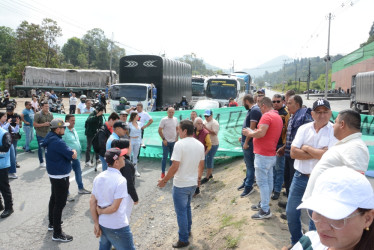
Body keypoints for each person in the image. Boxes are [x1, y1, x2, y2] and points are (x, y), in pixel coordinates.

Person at [286, 99, 338, 246]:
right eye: (318, 112)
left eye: (325, 112)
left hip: (321, 180)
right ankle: (297, 241)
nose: (322, 115)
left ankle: (312, 245)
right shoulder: (304, 128)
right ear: (312, 113)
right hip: (300, 177)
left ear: (330, 113)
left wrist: (307, 148)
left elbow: (328, 156)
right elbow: (293, 153)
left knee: (315, 218)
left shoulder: (334, 130)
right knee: (291, 212)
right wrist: (319, 152)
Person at [288, 167, 374, 250]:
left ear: (367, 219)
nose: (323, 227)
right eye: (318, 212)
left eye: (337, 218)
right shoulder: (310, 241)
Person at [303, 109, 370, 201]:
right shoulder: (347, 144)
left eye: (335, 122)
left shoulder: (355, 147)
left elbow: (356, 183)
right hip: (320, 202)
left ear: (342, 124)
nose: (333, 126)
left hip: (328, 204)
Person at [157, 120, 205, 248]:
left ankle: (183, 239)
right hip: (192, 183)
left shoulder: (180, 145)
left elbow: (175, 166)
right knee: (187, 208)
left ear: (184, 131)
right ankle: (187, 231)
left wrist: (164, 180)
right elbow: (201, 164)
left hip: (181, 184)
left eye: (179, 129)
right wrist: (198, 179)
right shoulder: (200, 145)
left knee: (182, 212)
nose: (177, 132)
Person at [242, 97, 283, 220]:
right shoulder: (277, 116)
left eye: (260, 107)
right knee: (269, 180)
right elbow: (264, 132)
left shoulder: (266, 116)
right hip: (270, 154)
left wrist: (249, 133)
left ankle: (265, 209)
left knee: (262, 182)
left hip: (263, 154)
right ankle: (264, 203)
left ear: (264, 105)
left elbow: (261, 133)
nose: (259, 109)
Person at [89, 148, 136, 250]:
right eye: (121, 156)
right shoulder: (121, 180)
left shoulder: (99, 177)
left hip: (103, 223)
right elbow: (114, 208)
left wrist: (96, 223)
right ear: (116, 162)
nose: (124, 157)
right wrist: (100, 211)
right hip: (117, 225)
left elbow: (92, 201)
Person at [41, 118, 77, 242]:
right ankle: (57, 233)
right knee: (60, 203)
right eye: (63, 128)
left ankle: (52, 223)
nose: (65, 129)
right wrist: (74, 151)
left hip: (54, 173)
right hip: (60, 175)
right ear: (57, 129)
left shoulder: (50, 137)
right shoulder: (57, 142)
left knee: (54, 198)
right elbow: (72, 155)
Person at [237, 94, 262, 197]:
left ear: (247, 101)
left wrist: (246, 142)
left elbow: (251, 129)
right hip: (246, 141)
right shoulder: (252, 110)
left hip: (250, 143)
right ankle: (246, 181)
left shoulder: (255, 110)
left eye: (243, 102)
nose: (243, 104)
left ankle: (249, 186)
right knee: (248, 165)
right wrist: (242, 138)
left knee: (250, 166)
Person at [62, 114, 91, 196]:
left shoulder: (73, 129)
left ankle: (81, 188)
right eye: (72, 121)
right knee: (66, 176)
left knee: (78, 172)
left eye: (74, 120)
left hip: (76, 157)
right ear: (66, 122)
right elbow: (62, 145)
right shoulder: (63, 132)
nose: (74, 122)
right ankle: (66, 193)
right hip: (68, 158)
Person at [111, 138, 139, 221]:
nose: (131, 148)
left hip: (116, 192)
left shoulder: (115, 160)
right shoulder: (126, 164)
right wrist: (135, 198)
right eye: (129, 146)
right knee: (125, 216)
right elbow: (129, 183)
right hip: (125, 195)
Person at [271, 94, 290, 200]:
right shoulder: (272, 113)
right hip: (272, 145)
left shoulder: (285, 113)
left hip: (280, 145)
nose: (276, 103)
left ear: (283, 102)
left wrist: (284, 146)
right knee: (273, 168)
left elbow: (288, 131)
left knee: (279, 169)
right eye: (274, 102)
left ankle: (277, 190)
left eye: (278, 101)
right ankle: (273, 188)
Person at [193, 117, 212, 196]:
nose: (200, 125)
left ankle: (197, 189)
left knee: (199, 173)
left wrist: (204, 154)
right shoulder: (192, 131)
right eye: (198, 123)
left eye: (201, 123)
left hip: (201, 156)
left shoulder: (205, 133)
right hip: (193, 155)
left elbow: (209, 145)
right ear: (195, 124)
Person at [158, 107, 178, 178]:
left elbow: (177, 129)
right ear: (167, 112)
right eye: (170, 112)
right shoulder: (164, 120)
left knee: (172, 158)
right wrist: (164, 139)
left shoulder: (175, 119)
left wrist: (176, 138)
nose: (171, 113)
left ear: (174, 112)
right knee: (165, 157)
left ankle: (170, 172)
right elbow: (159, 130)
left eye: (172, 112)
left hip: (173, 142)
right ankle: (163, 172)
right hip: (166, 142)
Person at [201, 109, 219, 184]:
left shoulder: (215, 123)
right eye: (205, 116)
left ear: (211, 116)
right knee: (206, 159)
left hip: (213, 144)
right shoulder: (204, 121)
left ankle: (207, 177)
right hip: (207, 144)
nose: (206, 117)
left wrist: (205, 128)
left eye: (207, 116)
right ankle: (209, 174)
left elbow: (215, 133)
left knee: (209, 159)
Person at [33, 101, 54, 168]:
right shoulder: (38, 114)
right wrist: (43, 124)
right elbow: (34, 124)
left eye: (48, 106)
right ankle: (41, 162)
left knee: (49, 148)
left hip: (48, 134)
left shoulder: (50, 114)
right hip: (40, 134)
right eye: (45, 106)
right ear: (42, 107)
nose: (47, 108)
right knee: (41, 148)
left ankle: (48, 161)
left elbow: (52, 123)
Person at [0, 125, 13, 218]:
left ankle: (9, 208)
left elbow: (6, 147)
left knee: (4, 187)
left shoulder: (5, 133)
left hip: (2, 165)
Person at [6, 105, 21, 169]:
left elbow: (20, 124)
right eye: (8, 111)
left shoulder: (16, 115)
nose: (9, 112)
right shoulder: (4, 115)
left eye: (10, 111)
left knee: (14, 148)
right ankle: (8, 162)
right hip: (6, 134)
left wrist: (18, 125)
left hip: (14, 134)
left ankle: (14, 161)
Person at [128, 112, 142, 177]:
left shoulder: (139, 123)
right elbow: (127, 134)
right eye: (137, 115)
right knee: (129, 156)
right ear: (134, 116)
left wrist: (141, 142)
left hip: (137, 141)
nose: (138, 116)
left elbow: (140, 134)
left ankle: (135, 170)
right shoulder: (129, 124)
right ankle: (129, 170)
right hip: (131, 140)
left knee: (135, 156)